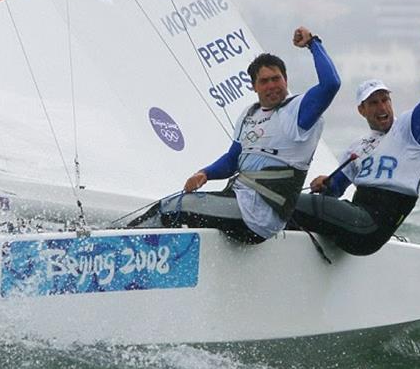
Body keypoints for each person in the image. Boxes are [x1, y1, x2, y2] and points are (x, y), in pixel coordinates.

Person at [129, 26, 340, 244]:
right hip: (237, 201)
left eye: (276, 79)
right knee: (173, 205)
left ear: (286, 80)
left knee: (173, 208)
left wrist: (313, 43)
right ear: (254, 86)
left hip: (259, 217)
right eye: (264, 81)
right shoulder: (250, 114)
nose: (272, 86)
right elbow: (233, 160)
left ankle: (118, 247)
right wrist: (205, 173)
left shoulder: (298, 112)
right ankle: (127, 240)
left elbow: (331, 84)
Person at [290, 26, 420, 256]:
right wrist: (326, 184)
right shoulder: (357, 147)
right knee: (293, 211)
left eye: (385, 99)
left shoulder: (410, 128)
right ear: (361, 110)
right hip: (354, 221)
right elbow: (335, 190)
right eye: (373, 103)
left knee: (287, 203)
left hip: (370, 230)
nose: (382, 107)